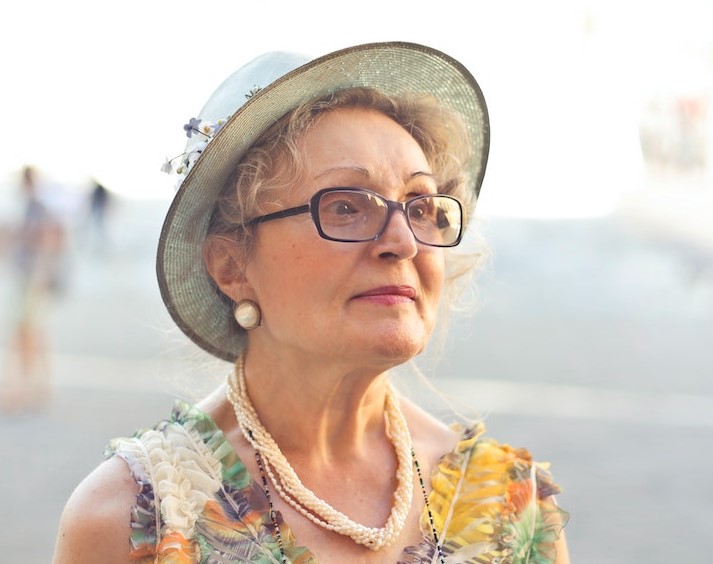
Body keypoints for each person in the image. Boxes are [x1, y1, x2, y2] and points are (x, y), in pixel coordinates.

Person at [53, 42, 570, 562]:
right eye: (346, 207)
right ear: (231, 265)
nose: (404, 243)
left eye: (419, 207)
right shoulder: (133, 520)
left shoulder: (511, 509)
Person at [1, 164, 65, 413]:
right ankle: (39, 385)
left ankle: (24, 387)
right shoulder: (33, 208)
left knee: (26, 334)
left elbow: (48, 241)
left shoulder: (36, 209)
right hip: (29, 278)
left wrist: (41, 273)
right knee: (33, 333)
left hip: (31, 279)